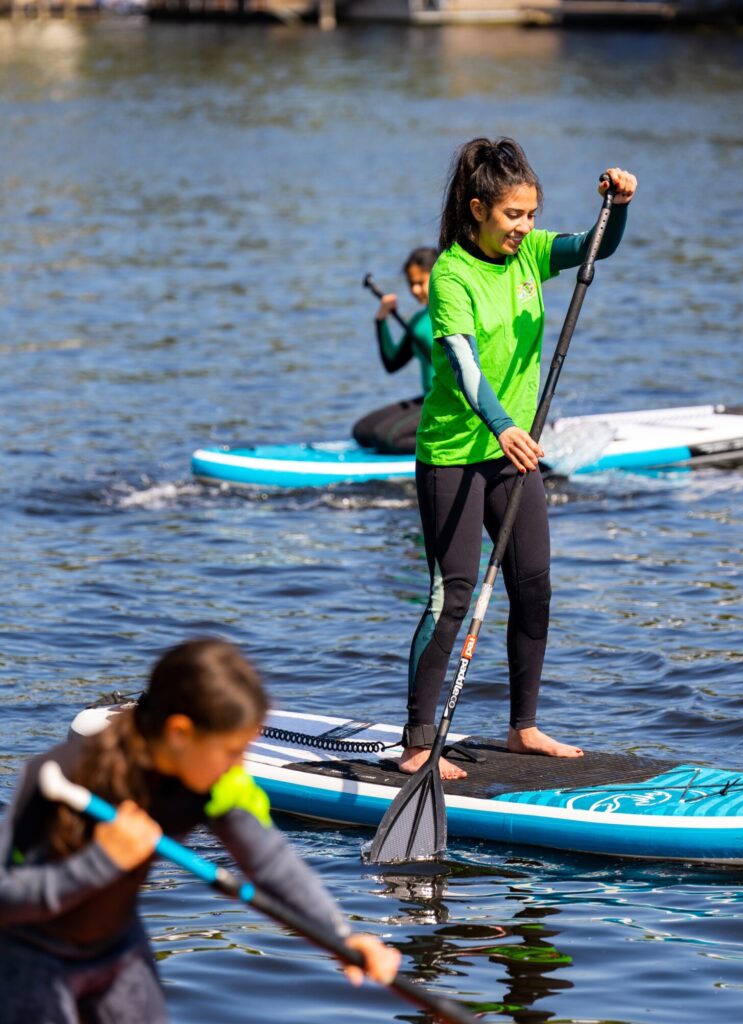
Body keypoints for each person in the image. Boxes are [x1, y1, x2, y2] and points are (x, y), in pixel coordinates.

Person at [0, 638, 400, 1023]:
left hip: (115, 947)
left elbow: (271, 864)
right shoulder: (62, 780)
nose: (238, 766)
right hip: (34, 958)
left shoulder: (214, 781)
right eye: (231, 751)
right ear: (178, 734)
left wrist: (338, 936)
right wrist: (101, 861)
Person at [401, 138, 636, 780]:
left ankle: (523, 728)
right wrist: (503, 424)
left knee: (533, 586)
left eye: (531, 215)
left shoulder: (531, 254)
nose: (525, 227)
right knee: (450, 595)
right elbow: (461, 361)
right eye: (513, 216)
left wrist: (616, 208)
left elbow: (596, 248)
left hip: (514, 454)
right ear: (478, 209)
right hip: (455, 453)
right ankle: (419, 740)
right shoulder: (451, 273)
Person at [352, 246, 437, 455]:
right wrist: (381, 320)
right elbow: (392, 363)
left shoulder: (453, 315)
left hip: (450, 404)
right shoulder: (418, 321)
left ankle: (451, 446)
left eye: (420, 283)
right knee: (363, 431)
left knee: (386, 437)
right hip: (428, 399)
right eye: (411, 284)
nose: (415, 290)